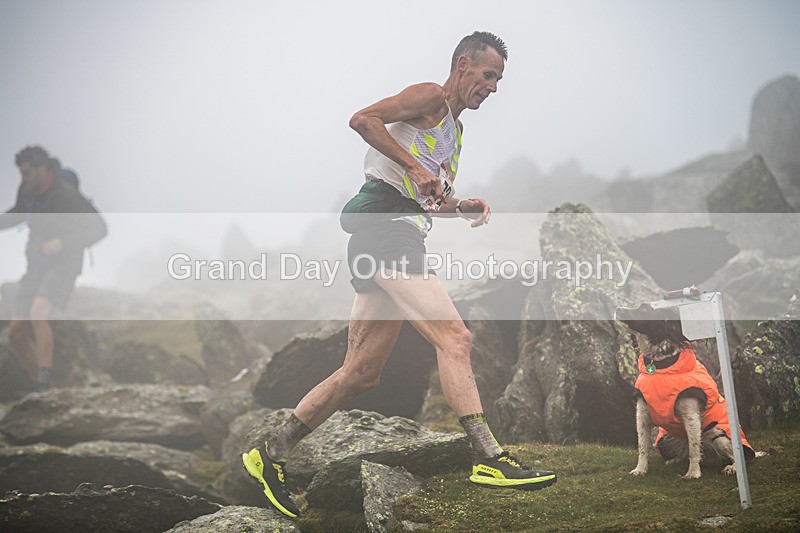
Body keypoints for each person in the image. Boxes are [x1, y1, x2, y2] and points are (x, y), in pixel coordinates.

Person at [242, 31, 556, 518]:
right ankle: (488, 457)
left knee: (360, 373)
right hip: (385, 232)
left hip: (394, 233)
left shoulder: (456, 130)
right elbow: (362, 120)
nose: (493, 87)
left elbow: (422, 193)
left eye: (498, 80)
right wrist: (416, 167)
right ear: (464, 65)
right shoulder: (429, 97)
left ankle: (269, 453)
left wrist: (458, 205)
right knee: (455, 337)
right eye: (489, 75)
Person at [1, 146, 107, 392]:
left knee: (39, 310)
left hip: (65, 263)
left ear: (41, 169)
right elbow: (18, 213)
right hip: (36, 264)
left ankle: (43, 380)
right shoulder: (27, 191)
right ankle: (44, 387)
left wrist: (64, 242)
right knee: (16, 333)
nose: (23, 179)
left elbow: (99, 228)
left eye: (27, 173)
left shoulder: (66, 194)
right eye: (20, 174)